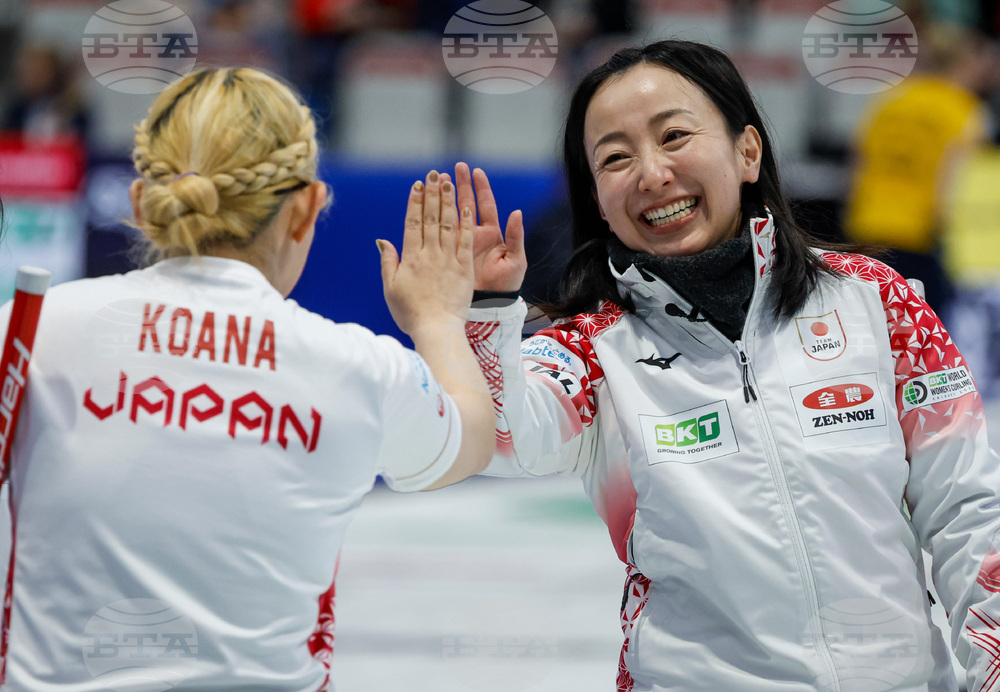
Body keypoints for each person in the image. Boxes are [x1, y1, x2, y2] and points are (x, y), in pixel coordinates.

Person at [448, 40, 1000, 691]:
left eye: (674, 136)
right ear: (597, 199)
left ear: (747, 152)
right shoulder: (591, 351)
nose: (651, 173)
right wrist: (484, 314)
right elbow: (499, 437)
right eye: (616, 158)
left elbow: (970, 510)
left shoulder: (878, 300)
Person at [0, 67, 493, 690]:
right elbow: (473, 438)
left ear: (141, 204)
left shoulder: (31, 330)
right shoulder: (359, 368)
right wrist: (438, 318)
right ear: (306, 209)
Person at [844, 22, 995, 317]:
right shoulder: (964, 110)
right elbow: (956, 179)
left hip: (868, 226)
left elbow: (858, 160)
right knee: (923, 329)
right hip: (919, 234)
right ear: (967, 63)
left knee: (871, 321)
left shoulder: (892, 99)